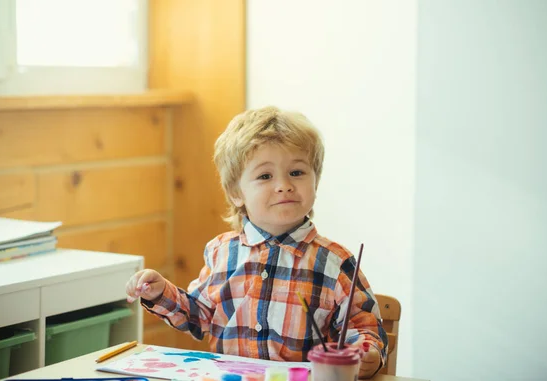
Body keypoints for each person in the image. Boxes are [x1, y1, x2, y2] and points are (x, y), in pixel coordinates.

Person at [125, 106, 388, 378]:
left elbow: (364, 328)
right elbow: (199, 317)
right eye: (265, 176)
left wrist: (366, 352)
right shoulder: (221, 252)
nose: (284, 185)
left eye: (296, 172)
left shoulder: (334, 261)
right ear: (236, 193)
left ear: (315, 182)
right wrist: (160, 293)